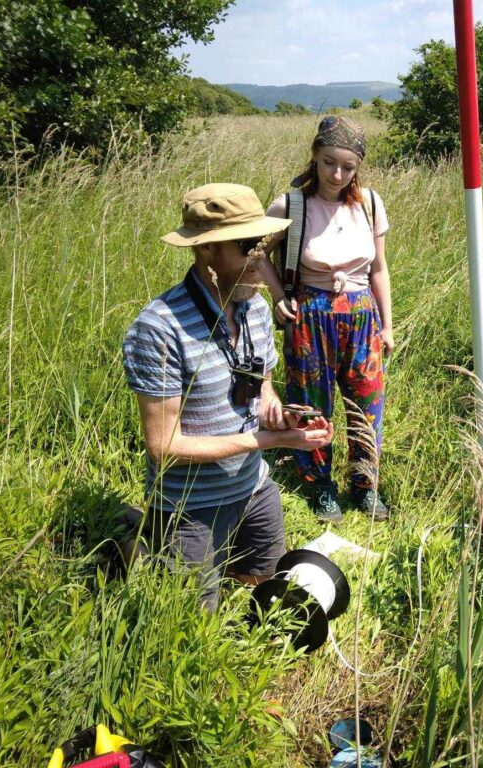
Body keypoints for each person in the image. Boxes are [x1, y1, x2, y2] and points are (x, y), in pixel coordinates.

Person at [122, 183, 334, 611]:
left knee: (264, 587)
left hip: (253, 485)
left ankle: (194, 546)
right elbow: (164, 447)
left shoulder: (255, 307)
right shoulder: (159, 328)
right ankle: (136, 541)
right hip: (190, 502)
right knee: (193, 616)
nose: (261, 260)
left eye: (263, 244)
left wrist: (281, 418)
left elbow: (263, 390)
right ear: (206, 251)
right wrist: (268, 442)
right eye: (246, 246)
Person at [257, 116, 393, 522]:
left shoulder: (369, 203)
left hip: (361, 316)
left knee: (367, 405)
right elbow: (256, 252)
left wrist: (387, 324)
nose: (337, 174)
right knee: (312, 406)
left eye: (348, 167)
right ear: (314, 156)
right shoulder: (290, 205)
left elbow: (380, 269)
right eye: (329, 162)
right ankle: (320, 488)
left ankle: (365, 486)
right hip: (310, 317)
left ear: (358, 167)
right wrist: (279, 296)